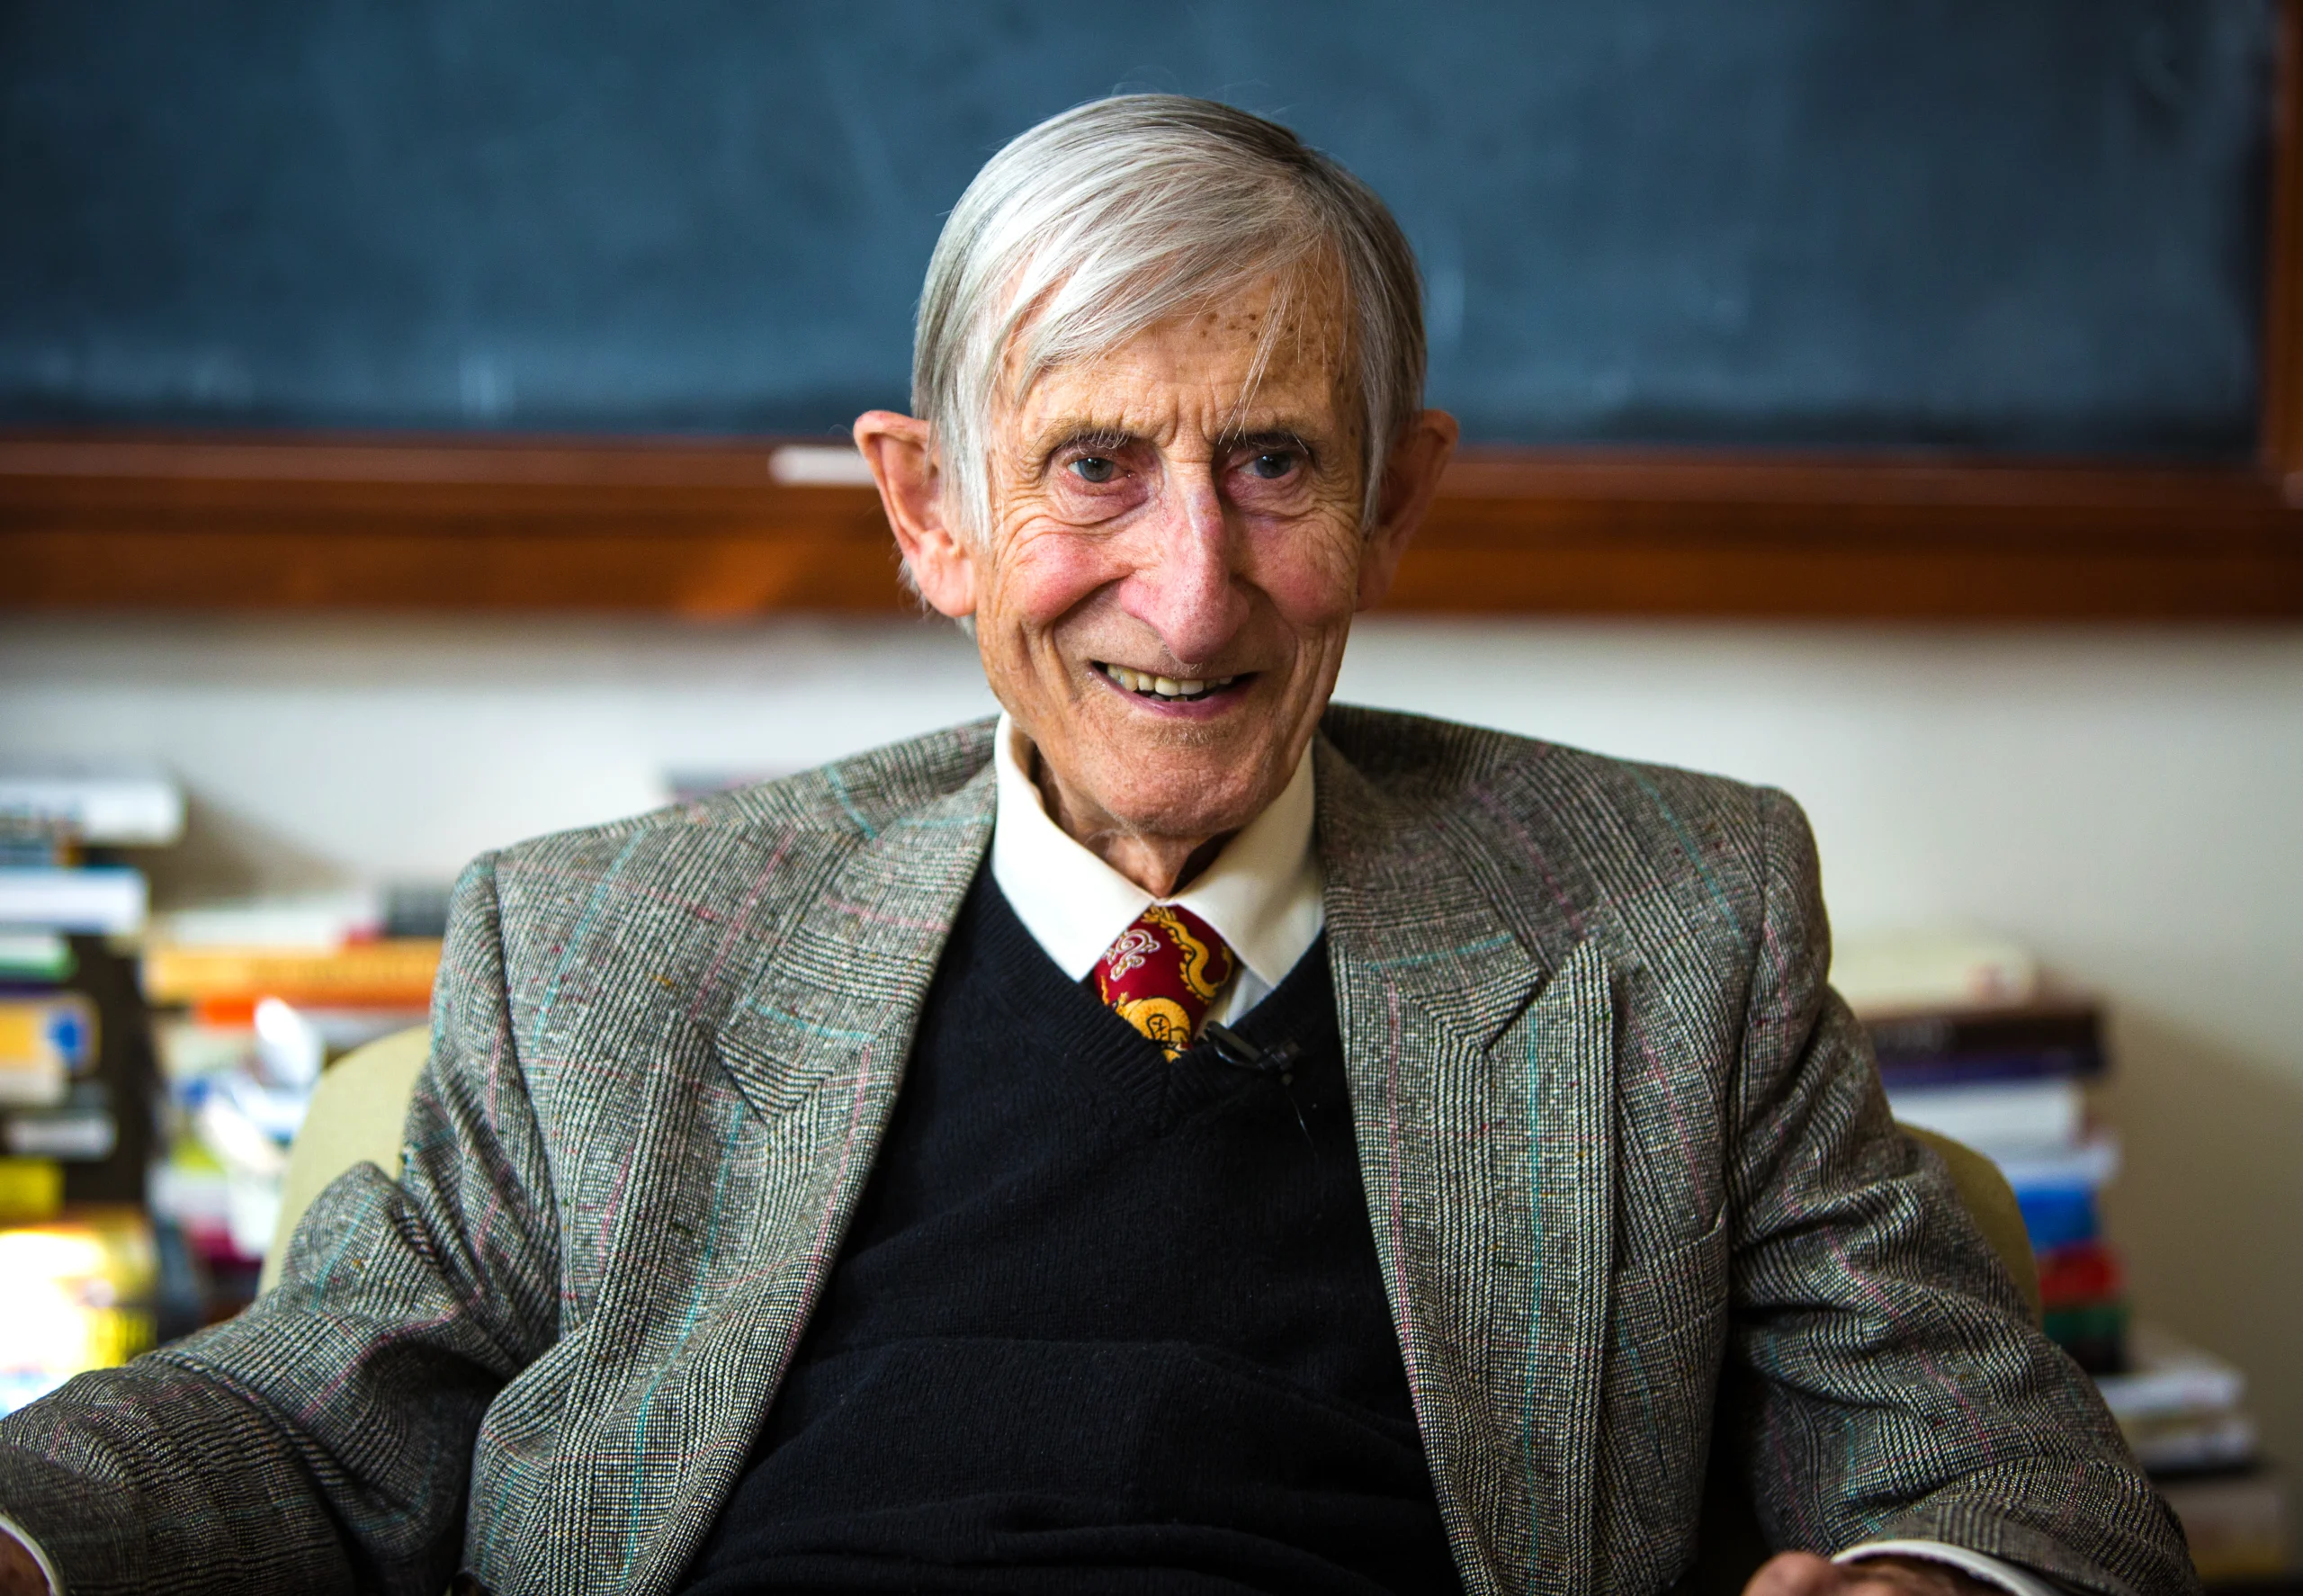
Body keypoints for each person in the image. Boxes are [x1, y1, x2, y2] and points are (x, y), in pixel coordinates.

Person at [0, 95, 2191, 1596]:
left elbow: (2003, 1463)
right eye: (1088, 469)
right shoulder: (606, 944)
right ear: (926, 512)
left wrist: (1920, 1574)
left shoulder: (1665, 920)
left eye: (1269, 462)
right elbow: (301, 1424)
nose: (1188, 589)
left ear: (1396, 498)